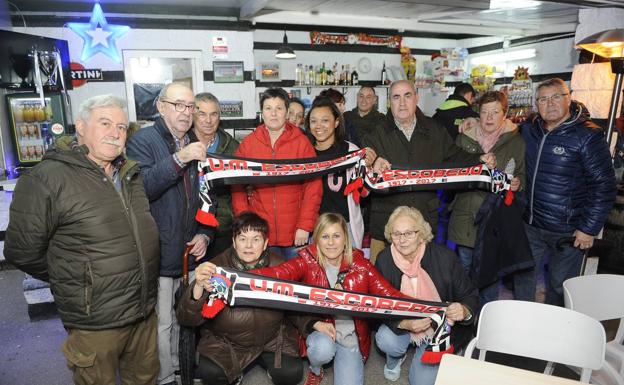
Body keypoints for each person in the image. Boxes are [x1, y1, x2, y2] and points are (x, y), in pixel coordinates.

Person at [4, 94, 160, 385]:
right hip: (95, 321)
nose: (115, 133)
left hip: (142, 311)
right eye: (105, 123)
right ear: (80, 126)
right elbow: (21, 251)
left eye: (122, 126)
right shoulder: (46, 179)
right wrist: (76, 277)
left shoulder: (130, 174)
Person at [200, 212, 406, 385]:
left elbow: (388, 294)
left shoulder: (362, 265)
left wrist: (423, 310)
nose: (331, 243)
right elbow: (279, 273)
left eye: (337, 236)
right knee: (321, 350)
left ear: (346, 238)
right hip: (321, 330)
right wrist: (236, 278)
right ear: (317, 239)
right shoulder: (306, 260)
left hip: (351, 336)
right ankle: (316, 369)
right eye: (325, 237)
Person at [126, 82, 214, 385]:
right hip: (160, 249)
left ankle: (180, 369)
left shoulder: (190, 140)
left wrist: (205, 234)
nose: (186, 112)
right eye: (179, 105)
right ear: (161, 107)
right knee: (163, 322)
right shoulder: (142, 140)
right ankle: (164, 378)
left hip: (189, 250)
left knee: (183, 317)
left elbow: (206, 196)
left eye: (190, 106)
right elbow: (144, 187)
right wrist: (182, 158)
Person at [360, 80, 496, 263]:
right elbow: (362, 165)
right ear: (388, 102)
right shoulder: (374, 134)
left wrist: (479, 159)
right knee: (383, 285)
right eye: (396, 97)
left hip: (423, 224)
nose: (402, 103)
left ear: (416, 98)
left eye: (407, 96)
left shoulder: (435, 130)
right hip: (387, 226)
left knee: (421, 285)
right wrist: (371, 163)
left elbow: (455, 157)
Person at [176, 212, 314, 385]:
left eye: (256, 239)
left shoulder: (280, 265)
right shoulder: (215, 267)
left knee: (291, 374)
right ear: (234, 242)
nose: (248, 245)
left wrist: (313, 323)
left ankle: (263, 365)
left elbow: (294, 304)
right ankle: (236, 374)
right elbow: (186, 318)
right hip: (228, 341)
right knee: (210, 373)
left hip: (271, 338)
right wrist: (198, 288)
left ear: (265, 244)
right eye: (242, 239)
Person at [515, 78, 616, 306]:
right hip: (530, 223)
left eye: (556, 97)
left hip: (568, 231)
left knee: (561, 286)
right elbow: (505, 130)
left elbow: (604, 185)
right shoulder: (531, 130)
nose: (549, 103)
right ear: (536, 104)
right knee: (522, 277)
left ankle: (556, 333)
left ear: (568, 98)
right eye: (543, 99)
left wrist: (588, 228)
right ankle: (519, 326)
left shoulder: (588, 136)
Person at [375, 206, 478, 385]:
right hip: (405, 324)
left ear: (421, 234)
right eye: (397, 234)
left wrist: (463, 309)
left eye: (409, 233)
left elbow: (470, 295)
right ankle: (396, 357)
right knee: (385, 339)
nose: (402, 240)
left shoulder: (444, 257)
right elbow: (378, 307)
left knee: (420, 382)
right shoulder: (384, 260)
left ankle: (439, 351)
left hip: (439, 329)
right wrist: (404, 323)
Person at [232, 87, 322, 260]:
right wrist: (245, 221)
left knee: (295, 284)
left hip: (296, 234)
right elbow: (236, 184)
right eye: (268, 108)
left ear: (287, 112)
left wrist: (305, 225)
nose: (273, 114)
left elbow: (313, 186)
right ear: (262, 112)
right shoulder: (248, 144)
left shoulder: (302, 143)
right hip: (260, 233)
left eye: (279, 108)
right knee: (265, 284)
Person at [448, 91, 524, 275]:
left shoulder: (517, 142)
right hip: (466, 217)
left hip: (495, 218)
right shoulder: (465, 139)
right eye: (484, 112)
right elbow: (450, 170)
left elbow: (521, 172)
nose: (489, 117)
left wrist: (518, 183)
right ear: (478, 113)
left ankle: (487, 306)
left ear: (505, 114)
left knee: (489, 274)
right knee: (464, 269)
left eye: (495, 112)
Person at [305, 97, 374, 248]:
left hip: (346, 225)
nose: (319, 126)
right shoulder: (305, 152)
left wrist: (369, 168)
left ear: (336, 122)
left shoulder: (350, 151)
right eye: (313, 121)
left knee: (349, 269)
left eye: (325, 120)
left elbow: (365, 193)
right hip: (315, 226)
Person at [193, 92, 240, 260]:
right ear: (193, 115)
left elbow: (241, 189)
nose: (208, 120)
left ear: (219, 117)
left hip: (222, 230)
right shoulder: (181, 144)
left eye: (213, 114)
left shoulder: (233, 148)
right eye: (202, 114)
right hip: (189, 230)